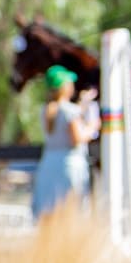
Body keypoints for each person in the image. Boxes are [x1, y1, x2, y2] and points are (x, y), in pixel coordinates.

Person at [30, 66, 95, 219]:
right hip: (69, 166)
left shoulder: (45, 110)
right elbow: (77, 138)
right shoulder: (69, 111)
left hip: (48, 164)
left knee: (49, 212)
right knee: (72, 212)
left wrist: (83, 105)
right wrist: (92, 126)